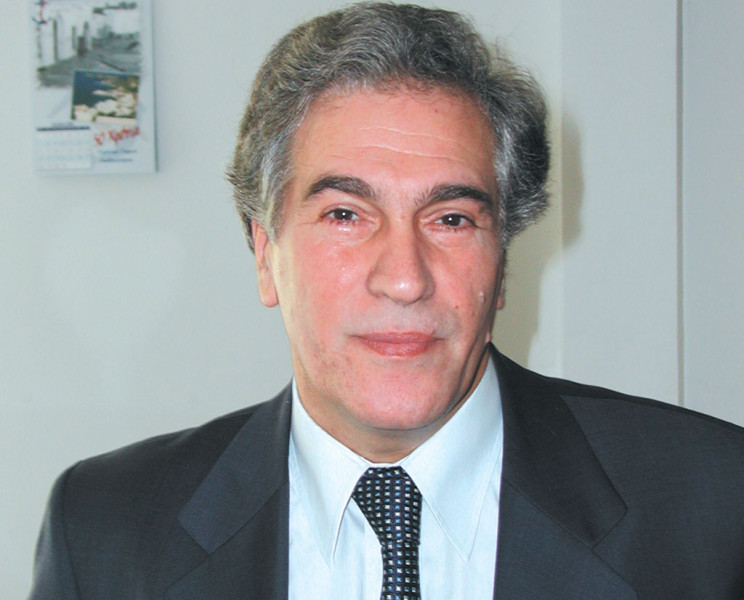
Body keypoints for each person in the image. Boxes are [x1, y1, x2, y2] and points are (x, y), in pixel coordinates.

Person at [29, 3, 744, 599]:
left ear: (502, 263)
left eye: (451, 219)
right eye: (346, 215)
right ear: (265, 253)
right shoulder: (102, 532)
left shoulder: (716, 506)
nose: (405, 278)